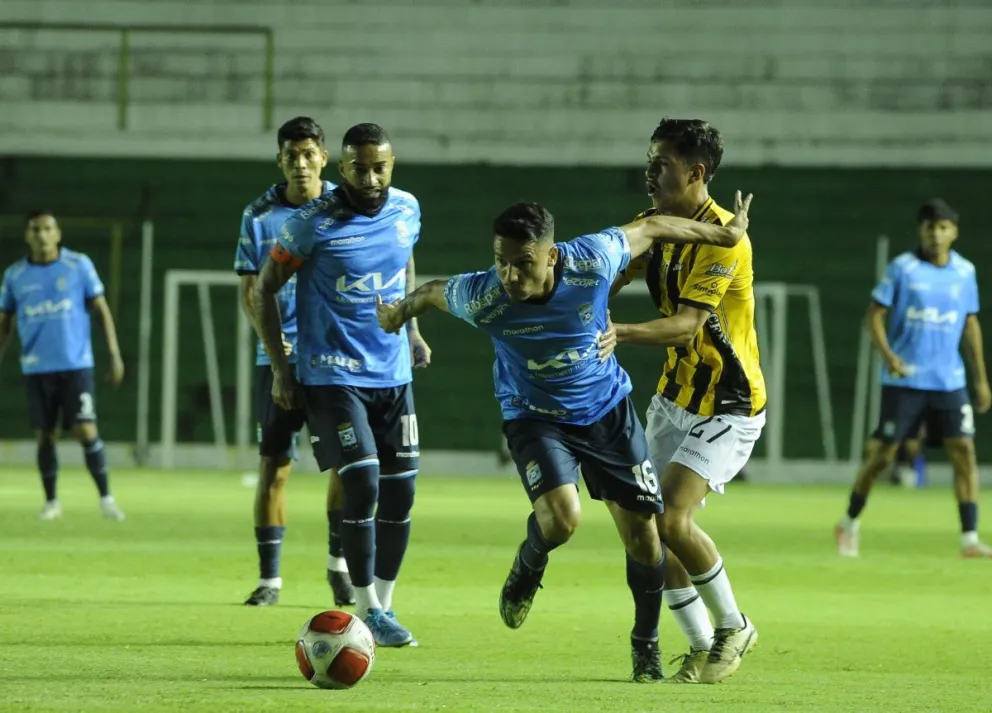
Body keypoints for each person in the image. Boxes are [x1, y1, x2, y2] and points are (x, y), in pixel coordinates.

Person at [376, 196, 750, 681]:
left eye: (523, 263)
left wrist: (726, 235)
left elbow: (654, 226)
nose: (510, 275)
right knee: (561, 520)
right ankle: (527, 567)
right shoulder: (483, 296)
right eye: (502, 262)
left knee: (644, 536)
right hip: (534, 417)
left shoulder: (593, 260)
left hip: (606, 413)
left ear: (551, 256)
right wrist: (396, 318)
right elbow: (429, 292)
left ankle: (646, 645)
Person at [254, 123, 431, 647]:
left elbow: (404, 262)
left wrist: (413, 326)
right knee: (364, 484)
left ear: (392, 164)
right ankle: (365, 607)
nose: (371, 178)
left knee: (403, 492)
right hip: (331, 374)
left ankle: (386, 602)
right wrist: (282, 369)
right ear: (341, 168)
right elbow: (264, 289)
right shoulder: (312, 224)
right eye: (360, 168)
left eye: (380, 167)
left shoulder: (407, 209)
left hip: (393, 374)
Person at [610, 118, 763, 684]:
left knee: (673, 517)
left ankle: (734, 625)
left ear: (696, 172)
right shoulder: (656, 226)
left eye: (661, 165)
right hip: (674, 398)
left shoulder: (727, 238)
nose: (649, 174)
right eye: (650, 162)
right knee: (646, 527)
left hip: (728, 403)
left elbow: (686, 325)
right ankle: (702, 648)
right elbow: (613, 265)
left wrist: (616, 333)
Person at [235, 116, 355, 607]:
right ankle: (270, 580)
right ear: (280, 160)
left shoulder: (346, 207)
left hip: (336, 358)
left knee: (347, 468)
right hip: (280, 361)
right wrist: (275, 358)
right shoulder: (258, 216)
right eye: (292, 155)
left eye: (310, 154)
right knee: (274, 467)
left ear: (324, 158)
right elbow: (250, 291)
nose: (301, 163)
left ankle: (339, 567)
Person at [835, 199, 991, 558]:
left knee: (964, 450)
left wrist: (980, 379)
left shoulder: (965, 272)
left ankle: (969, 538)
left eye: (942, 228)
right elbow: (873, 316)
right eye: (929, 227)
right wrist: (889, 358)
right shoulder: (902, 269)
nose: (936, 234)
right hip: (905, 380)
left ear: (954, 232)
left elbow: (970, 324)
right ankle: (848, 522)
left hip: (949, 381)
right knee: (885, 454)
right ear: (921, 231)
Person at [0, 210, 126, 521]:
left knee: (85, 429)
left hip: (75, 365)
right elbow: (5, 323)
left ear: (58, 234)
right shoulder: (15, 276)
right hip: (36, 368)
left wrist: (114, 353)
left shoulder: (78, 266)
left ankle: (106, 498)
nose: (42, 235)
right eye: (35, 229)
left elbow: (101, 309)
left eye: (47, 229)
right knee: (45, 435)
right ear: (27, 235)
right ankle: (52, 502)